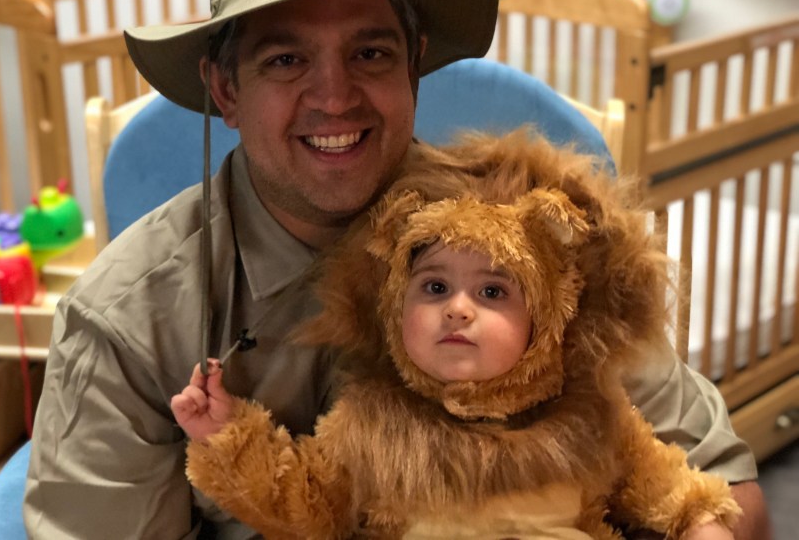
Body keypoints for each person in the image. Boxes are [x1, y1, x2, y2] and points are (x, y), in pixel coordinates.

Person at [24, 0, 770, 538]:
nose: (334, 96)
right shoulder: (130, 319)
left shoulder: (524, 244)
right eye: (285, 59)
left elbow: (726, 492)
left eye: (370, 52)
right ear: (225, 88)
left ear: (412, 63)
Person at [170, 164, 740, 539]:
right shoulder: (371, 425)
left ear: (546, 320)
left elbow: (666, 484)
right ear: (396, 309)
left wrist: (701, 523)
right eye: (435, 287)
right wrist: (226, 434)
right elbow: (303, 505)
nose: (458, 309)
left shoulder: (591, 417)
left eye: (493, 292)